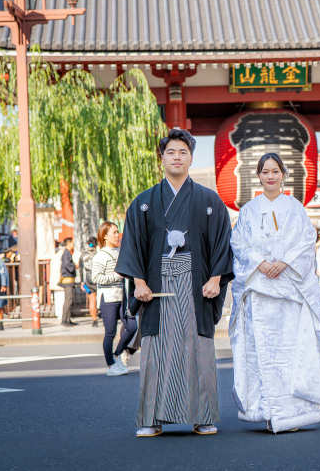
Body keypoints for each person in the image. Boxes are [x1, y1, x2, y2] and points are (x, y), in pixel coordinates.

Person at [116, 128, 234, 438]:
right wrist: (139, 282)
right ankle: (151, 419)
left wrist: (216, 279)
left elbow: (222, 243)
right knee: (156, 351)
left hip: (197, 286)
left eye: (183, 152)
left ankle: (202, 416)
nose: (177, 157)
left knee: (199, 349)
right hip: (157, 289)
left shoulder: (209, 200)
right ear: (162, 159)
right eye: (171, 152)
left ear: (191, 158)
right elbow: (133, 245)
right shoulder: (144, 202)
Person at [229, 152, 320, 433]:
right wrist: (261, 264)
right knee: (261, 351)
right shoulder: (248, 210)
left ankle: (293, 413)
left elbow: (307, 239)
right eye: (265, 171)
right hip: (259, 290)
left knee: (291, 350)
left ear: (284, 174)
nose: (270, 176)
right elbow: (238, 243)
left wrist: (284, 263)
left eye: (275, 171)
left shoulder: (295, 207)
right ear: (259, 176)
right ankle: (266, 410)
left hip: (289, 290)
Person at [93, 221, 138, 375]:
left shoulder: (119, 252)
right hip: (109, 298)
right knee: (110, 332)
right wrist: (117, 275)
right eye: (114, 232)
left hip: (123, 297)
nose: (117, 235)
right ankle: (111, 365)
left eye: (118, 231)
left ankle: (117, 354)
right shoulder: (100, 255)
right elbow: (96, 278)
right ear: (105, 236)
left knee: (132, 326)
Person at [79, 236, 99, 327]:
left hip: (88, 279)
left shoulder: (83, 255)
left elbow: (80, 269)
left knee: (92, 300)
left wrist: (81, 282)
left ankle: (94, 320)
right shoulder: (99, 254)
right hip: (99, 278)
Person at [59, 238, 78, 326]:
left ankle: (68, 319)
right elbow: (67, 264)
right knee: (68, 300)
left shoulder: (67, 253)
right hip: (67, 279)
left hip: (69, 279)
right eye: (72, 243)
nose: (73, 245)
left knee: (69, 300)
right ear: (69, 243)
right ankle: (64, 320)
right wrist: (74, 266)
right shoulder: (66, 253)